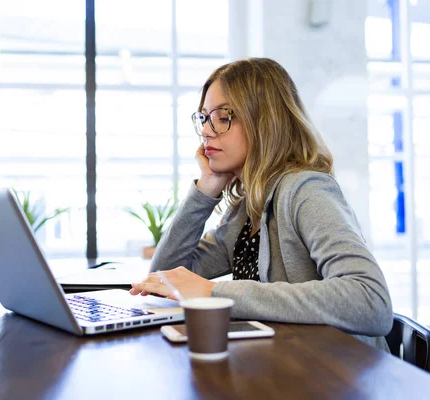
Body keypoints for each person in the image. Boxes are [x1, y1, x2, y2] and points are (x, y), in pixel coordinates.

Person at [129, 57, 393, 350]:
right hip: (285, 365)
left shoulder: (306, 190)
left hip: (339, 377)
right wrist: (206, 189)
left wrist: (214, 292)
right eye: (204, 117)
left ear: (263, 121)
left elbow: (371, 300)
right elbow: (166, 275)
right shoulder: (248, 207)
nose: (206, 130)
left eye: (222, 116)